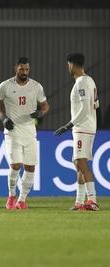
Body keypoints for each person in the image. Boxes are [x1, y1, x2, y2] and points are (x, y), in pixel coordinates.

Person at [0, 57, 49, 210]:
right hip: (12, 131)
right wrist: (3, 118)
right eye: (21, 69)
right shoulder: (6, 86)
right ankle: (11, 196)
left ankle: (22, 200)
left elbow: (45, 106)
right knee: (15, 165)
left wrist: (41, 114)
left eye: (27, 70)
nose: (24, 72)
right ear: (15, 68)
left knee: (30, 167)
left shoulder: (36, 87)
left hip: (30, 132)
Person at [54, 53, 100, 211]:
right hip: (86, 127)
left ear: (72, 65)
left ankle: (92, 201)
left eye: (68, 65)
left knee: (81, 162)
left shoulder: (81, 82)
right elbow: (96, 105)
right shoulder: (89, 80)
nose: (68, 67)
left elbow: (86, 108)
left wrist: (69, 124)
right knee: (77, 163)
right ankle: (80, 202)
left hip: (83, 128)